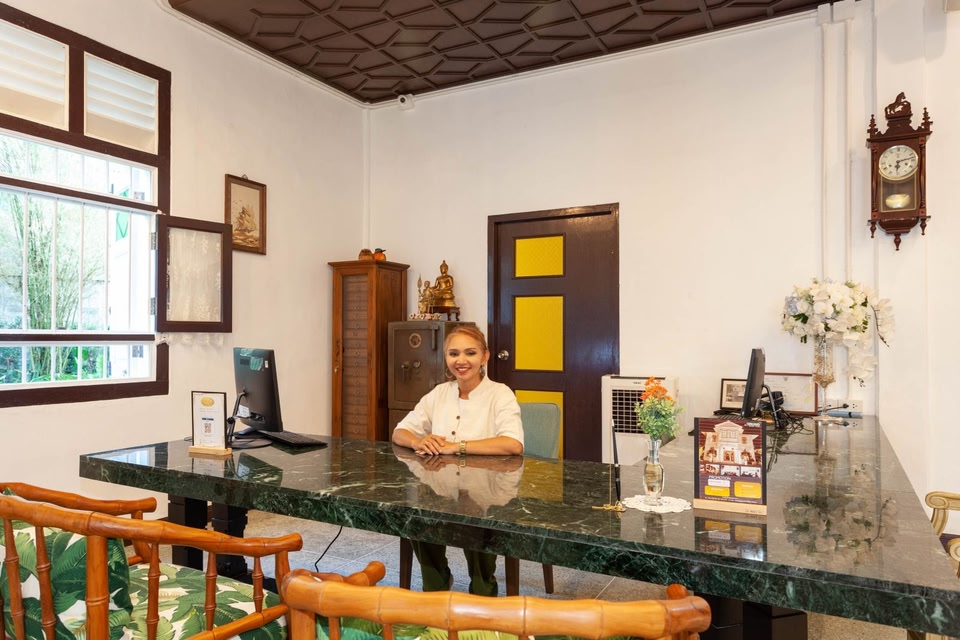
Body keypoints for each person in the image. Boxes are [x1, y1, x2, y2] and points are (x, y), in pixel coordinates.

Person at [392, 324, 523, 596]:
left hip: (486, 490)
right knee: (417, 516)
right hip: (441, 489)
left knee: (475, 518)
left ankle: (483, 589)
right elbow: (399, 432)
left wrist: (456, 447)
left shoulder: (500, 394)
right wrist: (418, 441)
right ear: (446, 358)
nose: (461, 360)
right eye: (454, 354)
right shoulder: (439, 393)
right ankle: (436, 585)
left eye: (470, 353)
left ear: (485, 356)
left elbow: (513, 444)